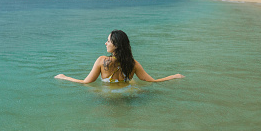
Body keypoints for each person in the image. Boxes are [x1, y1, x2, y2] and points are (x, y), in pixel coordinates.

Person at [54, 30, 184, 84]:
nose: (106, 43)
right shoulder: (133, 64)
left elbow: (85, 82)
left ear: (115, 45)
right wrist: (173, 76)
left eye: (108, 41)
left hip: (107, 100)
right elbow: (153, 81)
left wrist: (64, 77)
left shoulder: (101, 61)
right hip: (127, 99)